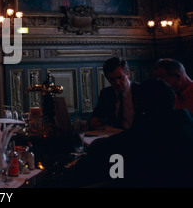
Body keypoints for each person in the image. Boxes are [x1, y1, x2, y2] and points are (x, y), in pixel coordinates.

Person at [65, 79, 193, 187]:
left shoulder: (150, 127)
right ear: (173, 98)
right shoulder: (186, 119)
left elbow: (108, 146)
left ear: (141, 105)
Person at [89, 57, 140, 130]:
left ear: (128, 73)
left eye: (120, 77)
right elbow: (97, 115)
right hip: (115, 137)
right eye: (112, 80)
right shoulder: (106, 94)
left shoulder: (141, 91)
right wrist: (94, 121)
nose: (117, 82)